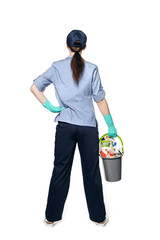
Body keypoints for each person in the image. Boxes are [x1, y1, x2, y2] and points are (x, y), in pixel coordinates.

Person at [30, 30, 117, 227]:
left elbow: (34, 87)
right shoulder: (92, 68)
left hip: (65, 126)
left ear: (66, 45)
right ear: (84, 47)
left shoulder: (56, 67)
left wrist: (49, 106)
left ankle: (51, 217)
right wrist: (110, 124)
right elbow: (100, 99)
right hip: (88, 128)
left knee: (60, 169)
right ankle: (99, 218)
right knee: (92, 172)